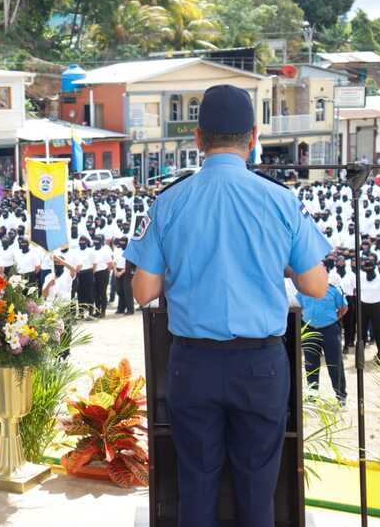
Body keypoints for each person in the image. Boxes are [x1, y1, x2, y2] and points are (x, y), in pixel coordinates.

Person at [126, 85, 331, 527]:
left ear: (198, 139)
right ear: (253, 137)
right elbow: (316, 285)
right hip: (260, 366)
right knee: (258, 489)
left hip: (192, 365)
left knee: (196, 485)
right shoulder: (281, 200)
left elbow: (142, 292)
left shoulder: (169, 202)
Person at [296, 273, 348, 405]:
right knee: (310, 364)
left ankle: (341, 395)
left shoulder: (333, 290)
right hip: (310, 329)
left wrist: (333, 319)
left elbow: (343, 307)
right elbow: (299, 307)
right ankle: (312, 395)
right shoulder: (303, 290)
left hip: (329, 329)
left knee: (335, 363)